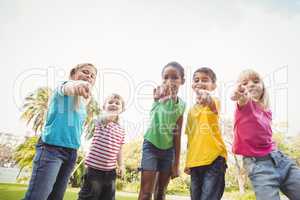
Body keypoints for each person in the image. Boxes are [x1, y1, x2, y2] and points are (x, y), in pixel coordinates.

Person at [24, 63, 97, 200]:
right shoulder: (62, 88)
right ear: (73, 73)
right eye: (85, 72)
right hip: (51, 149)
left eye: (92, 76)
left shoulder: (82, 104)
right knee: (37, 197)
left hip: (71, 154)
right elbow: (68, 88)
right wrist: (78, 86)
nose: (89, 76)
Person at [232, 69, 300, 200]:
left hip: (281, 160)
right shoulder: (244, 104)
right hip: (258, 166)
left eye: (256, 81)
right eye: (245, 83)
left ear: (263, 87)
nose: (251, 84)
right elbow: (237, 97)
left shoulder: (266, 111)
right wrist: (238, 93)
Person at [138, 61, 186, 200]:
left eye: (174, 77)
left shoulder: (182, 105)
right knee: (146, 192)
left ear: (182, 80)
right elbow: (158, 98)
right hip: (151, 146)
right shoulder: (159, 95)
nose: (169, 81)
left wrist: (176, 164)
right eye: (165, 77)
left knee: (161, 193)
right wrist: (159, 97)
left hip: (168, 152)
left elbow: (177, 135)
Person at [184, 67, 227, 200]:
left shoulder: (215, 102)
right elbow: (190, 139)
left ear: (213, 86)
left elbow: (212, 105)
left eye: (205, 80)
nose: (200, 83)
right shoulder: (191, 111)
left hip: (214, 159)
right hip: (195, 162)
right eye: (197, 80)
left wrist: (207, 97)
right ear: (192, 85)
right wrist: (188, 162)